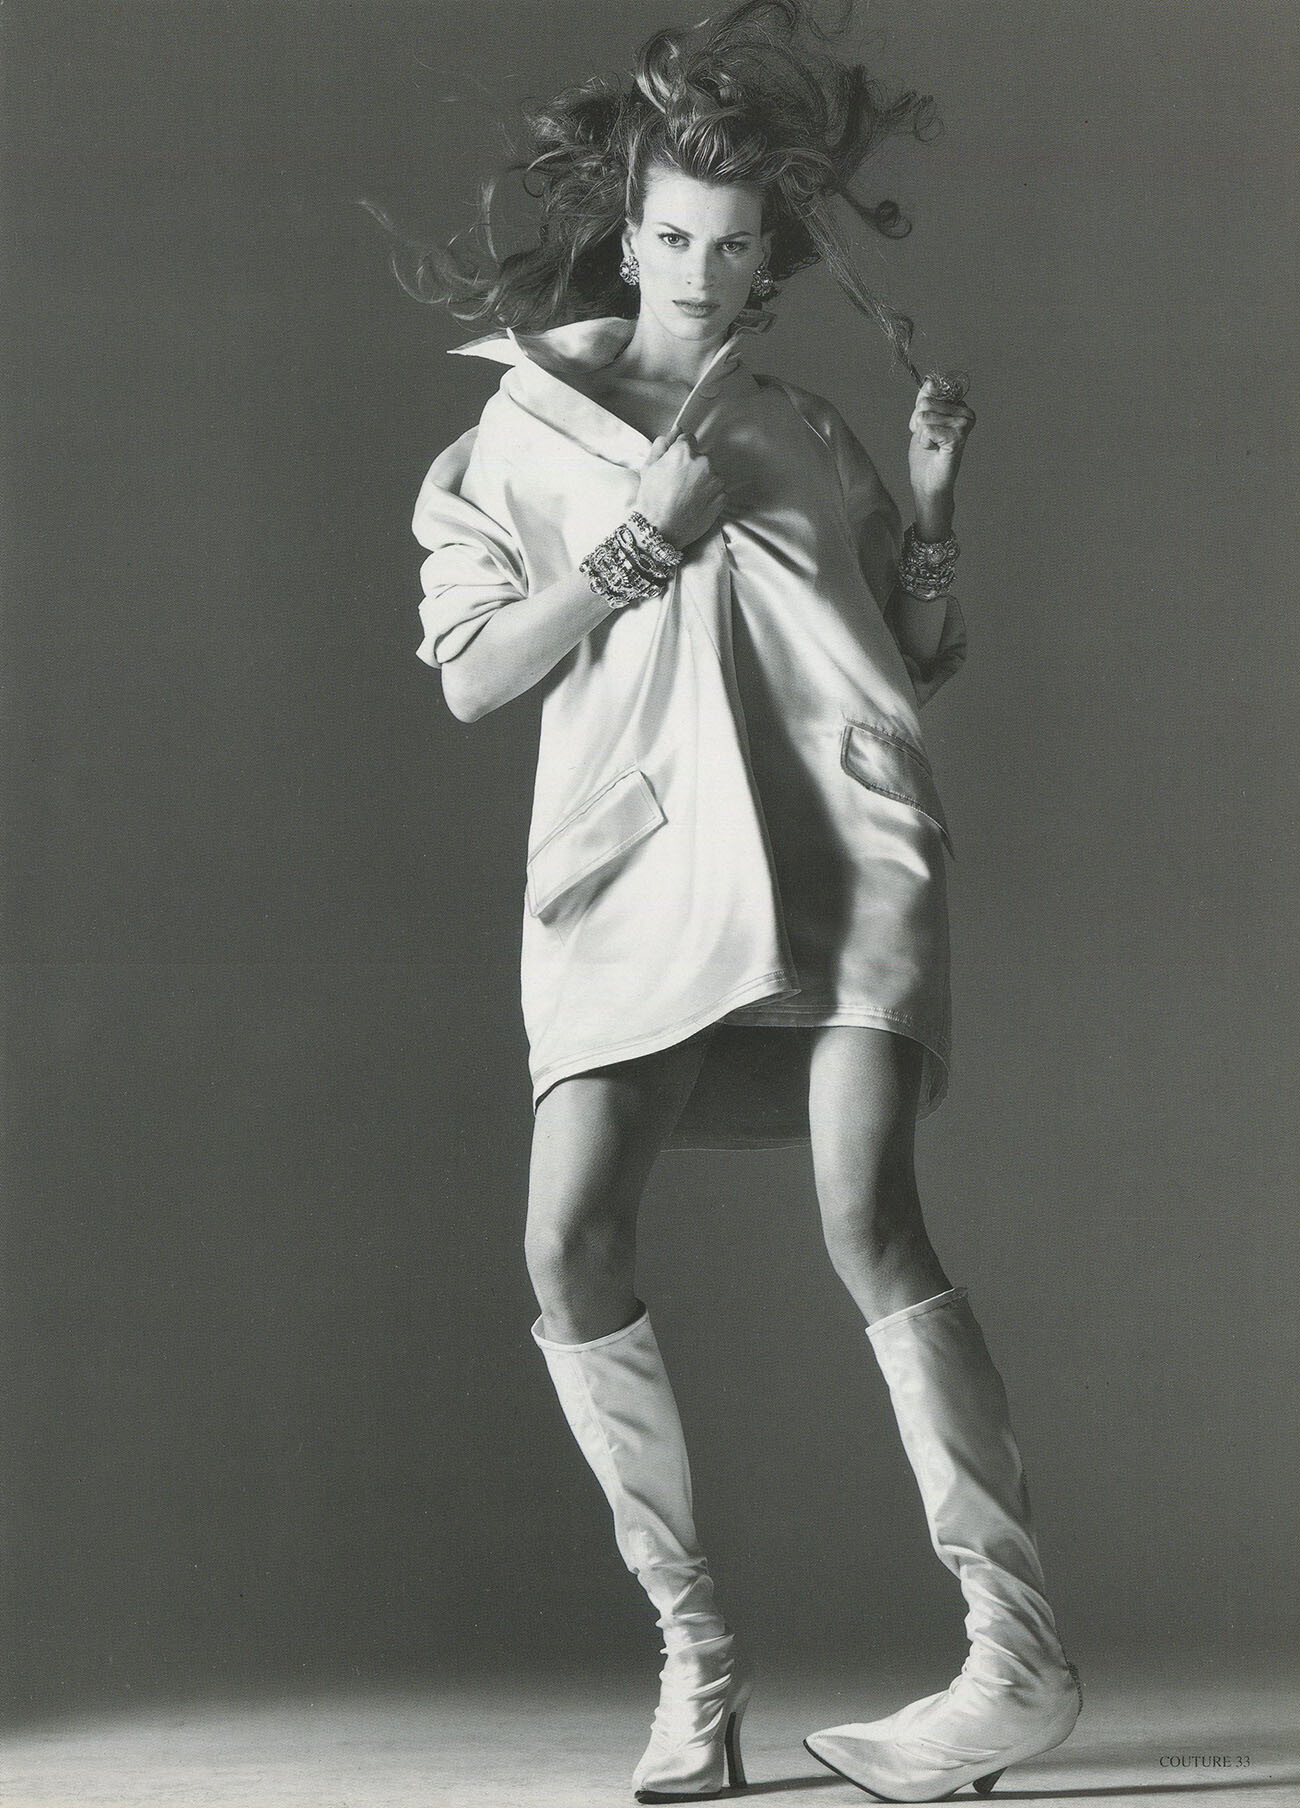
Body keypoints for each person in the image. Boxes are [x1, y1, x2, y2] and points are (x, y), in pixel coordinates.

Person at [385, 2, 1082, 1798]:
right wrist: (640, 540)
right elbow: (472, 678)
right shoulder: (514, 439)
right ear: (629, 235)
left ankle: (1014, 1656)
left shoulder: (795, 422)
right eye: (676, 238)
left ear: (772, 261)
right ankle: (695, 1657)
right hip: (631, 865)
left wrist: (932, 504)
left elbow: (908, 655)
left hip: (843, 845)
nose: (704, 273)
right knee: (567, 1245)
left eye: (737, 245)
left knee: (872, 1216)